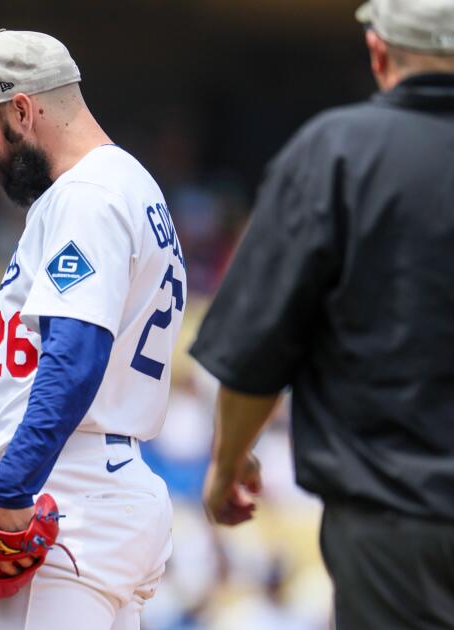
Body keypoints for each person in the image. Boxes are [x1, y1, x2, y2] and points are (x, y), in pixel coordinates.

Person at [190, 2, 454, 627]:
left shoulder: (335, 153)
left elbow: (258, 346)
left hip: (392, 524)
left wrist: (230, 465)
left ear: (378, 51)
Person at [0, 29, 185, 629]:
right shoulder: (131, 185)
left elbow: (77, 358)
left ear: (21, 110)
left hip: (71, 498)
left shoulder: (84, 196)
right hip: (109, 487)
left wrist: (11, 497)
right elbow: (79, 350)